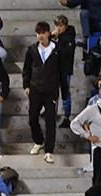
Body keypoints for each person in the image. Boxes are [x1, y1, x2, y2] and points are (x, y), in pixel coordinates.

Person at [22, 22, 63, 164]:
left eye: (42, 32)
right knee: (32, 118)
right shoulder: (32, 49)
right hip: (35, 89)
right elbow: (26, 69)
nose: (40, 35)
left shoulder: (57, 49)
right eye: (37, 33)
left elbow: (62, 71)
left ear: (47, 33)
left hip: (51, 91)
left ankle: (49, 151)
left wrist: (63, 90)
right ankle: (39, 141)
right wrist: (26, 85)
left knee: (50, 120)